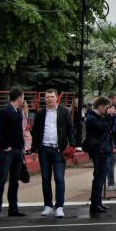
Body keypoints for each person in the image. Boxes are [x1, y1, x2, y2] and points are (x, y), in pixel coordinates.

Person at [31, 89, 73, 218]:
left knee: (59, 178)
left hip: (58, 150)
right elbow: (36, 132)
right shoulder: (40, 114)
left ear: (56, 98)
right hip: (44, 149)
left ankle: (59, 206)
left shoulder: (64, 111)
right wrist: (33, 150)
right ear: (45, 99)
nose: (49, 99)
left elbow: (70, 129)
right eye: (47, 97)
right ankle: (48, 205)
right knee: (45, 179)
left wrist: (72, 145)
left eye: (52, 96)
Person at [0, 89, 26, 221]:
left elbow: (19, 131)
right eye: (22, 97)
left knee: (14, 181)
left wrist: (22, 147)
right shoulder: (4, 111)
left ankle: (13, 208)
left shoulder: (18, 112)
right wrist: (6, 145)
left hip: (18, 151)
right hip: (6, 152)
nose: (23, 100)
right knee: (2, 179)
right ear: (18, 98)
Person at [83, 96, 114, 217]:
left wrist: (109, 117)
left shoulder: (99, 117)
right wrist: (109, 117)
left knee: (101, 177)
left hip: (103, 150)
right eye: (107, 107)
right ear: (101, 106)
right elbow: (105, 127)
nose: (108, 110)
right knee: (99, 177)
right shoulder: (91, 118)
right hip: (97, 150)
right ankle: (95, 205)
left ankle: (98, 202)